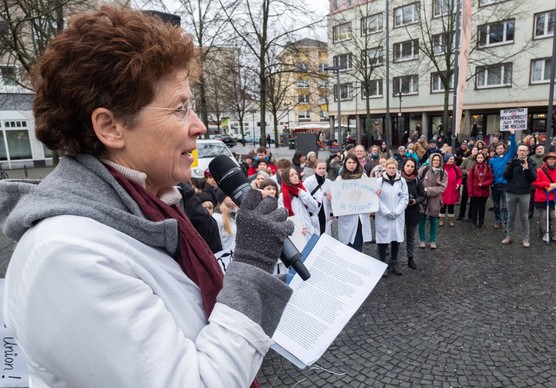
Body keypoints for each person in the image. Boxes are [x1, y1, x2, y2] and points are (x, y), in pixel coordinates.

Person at [0, 7, 294, 387]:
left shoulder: (150, 212)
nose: (199, 126)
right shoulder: (67, 255)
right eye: (180, 108)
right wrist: (251, 267)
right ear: (110, 127)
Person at [375, 158, 409, 276]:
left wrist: (397, 211)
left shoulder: (402, 181)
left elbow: (405, 198)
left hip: (397, 215)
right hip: (383, 215)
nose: (391, 170)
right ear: (386, 168)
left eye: (393, 168)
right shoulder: (379, 181)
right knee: (383, 240)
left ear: (396, 168)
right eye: (389, 168)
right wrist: (386, 212)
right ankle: (382, 264)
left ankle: (394, 263)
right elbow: (376, 198)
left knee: (396, 239)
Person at [501, 143, 537, 247]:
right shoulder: (511, 161)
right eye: (520, 150)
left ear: (527, 152)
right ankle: (509, 236)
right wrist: (512, 165)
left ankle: (525, 239)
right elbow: (505, 175)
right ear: (517, 151)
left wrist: (527, 169)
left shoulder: (531, 162)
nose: (522, 152)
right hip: (511, 192)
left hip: (524, 193)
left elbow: (533, 178)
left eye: (524, 150)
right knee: (510, 216)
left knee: (524, 216)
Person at [335, 154, 372, 252]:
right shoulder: (340, 179)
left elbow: (370, 191)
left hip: (360, 217)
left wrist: (375, 192)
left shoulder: (363, 177)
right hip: (347, 217)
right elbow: (336, 197)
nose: (351, 165)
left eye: (354, 162)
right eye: (349, 162)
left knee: (358, 243)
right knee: (347, 246)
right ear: (345, 164)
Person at [532, 152, 556, 243]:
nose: (551, 161)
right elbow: (535, 183)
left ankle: (555, 234)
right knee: (543, 216)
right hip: (542, 197)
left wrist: (555, 185)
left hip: (554, 197)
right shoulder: (540, 170)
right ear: (546, 160)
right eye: (550, 159)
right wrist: (548, 185)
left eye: (553, 159)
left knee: (554, 216)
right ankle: (545, 233)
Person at [279, 167, 319, 241]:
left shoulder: (303, 189)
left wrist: (303, 195)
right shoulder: (282, 196)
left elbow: (314, 208)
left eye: (296, 174)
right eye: (291, 175)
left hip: (309, 229)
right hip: (296, 233)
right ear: (286, 179)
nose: (295, 176)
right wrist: (299, 227)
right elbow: (283, 217)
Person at [418, 153, 448, 249]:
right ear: (431, 160)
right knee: (421, 219)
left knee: (434, 220)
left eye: (438, 160)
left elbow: (442, 187)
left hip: (435, 200)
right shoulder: (424, 170)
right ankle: (422, 239)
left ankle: (432, 240)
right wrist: (422, 191)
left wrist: (428, 190)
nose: (436, 161)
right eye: (434, 160)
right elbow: (417, 182)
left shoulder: (443, 173)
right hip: (423, 199)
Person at [400, 158, 426, 270]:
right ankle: (394, 259)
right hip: (400, 212)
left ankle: (410, 258)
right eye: (407, 166)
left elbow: (422, 195)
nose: (409, 168)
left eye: (412, 166)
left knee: (411, 237)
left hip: (413, 212)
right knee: (396, 237)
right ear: (403, 166)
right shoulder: (398, 179)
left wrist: (416, 201)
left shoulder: (417, 180)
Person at [489, 128, 517, 229]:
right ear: (495, 150)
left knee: (506, 207)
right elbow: (490, 173)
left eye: (501, 148)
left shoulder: (508, 157)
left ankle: (506, 223)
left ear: (504, 149)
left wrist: (512, 134)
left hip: (506, 185)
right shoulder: (492, 160)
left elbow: (514, 148)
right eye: (498, 148)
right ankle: (498, 221)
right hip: (495, 185)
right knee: (496, 206)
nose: (499, 150)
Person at [303, 159, 333, 236]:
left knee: (324, 235)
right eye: (319, 168)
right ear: (315, 169)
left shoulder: (329, 182)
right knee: (314, 236)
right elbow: (304, 197)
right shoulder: (308, 181)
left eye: (323, 168)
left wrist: (332, 211)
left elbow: (334, 200)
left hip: (325, 212)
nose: (322, 170)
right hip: (313, 212)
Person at [467, 152, 493, 228]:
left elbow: (491, 179)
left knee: (482, 208)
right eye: (478, 158)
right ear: (476, 159)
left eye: (481, 157)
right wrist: (470, 192)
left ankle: (481, 222)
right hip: (474, 191)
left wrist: (484, 184)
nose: (480, 159)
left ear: (483, 158)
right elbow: (470, 181)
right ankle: (474, 222)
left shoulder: (488, 167)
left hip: (484, 192)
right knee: (474, 208)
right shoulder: (473, 167)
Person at [440, 153, 462, 227]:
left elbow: (459, 177)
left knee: (451, 207)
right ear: (446, 160)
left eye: (453, 159)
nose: (453, 160)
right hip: (444, 191)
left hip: (453, 191)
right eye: (451, 159)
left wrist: (458, 184)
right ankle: (441, 220)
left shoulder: (456, 168)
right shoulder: (442, 169)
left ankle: (451, 220)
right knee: (442, 206)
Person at [458, 146, 479, 221]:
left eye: (476, 150)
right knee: (464, 199)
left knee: (473, 200)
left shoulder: (479, 160)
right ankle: (461, 215)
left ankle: (471, 216)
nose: (475, 151)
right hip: (467, 182)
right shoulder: (466, 160)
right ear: (471, 151)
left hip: (475, 183)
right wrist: (467, 172)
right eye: (473, 149)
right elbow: (460, 168)